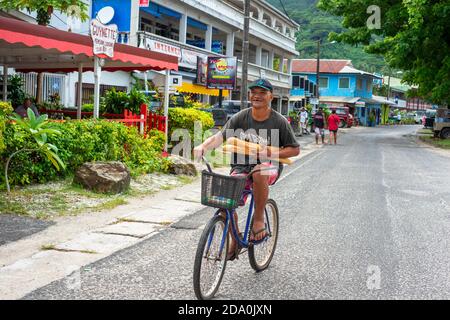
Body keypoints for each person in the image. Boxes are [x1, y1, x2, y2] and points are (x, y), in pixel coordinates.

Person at [193, 78, 300, 260]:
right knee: (224, 203)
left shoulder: (279, 121)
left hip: (269, 167)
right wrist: (202, 146)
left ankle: (258, 219)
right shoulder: (240, 117)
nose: (257, 96)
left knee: (259, 171)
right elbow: (220, 137)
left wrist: (271, 153)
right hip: (241, 167)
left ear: (270, 97)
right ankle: (235, 239)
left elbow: (295, 149)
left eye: (262, 93)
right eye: (253, 92)